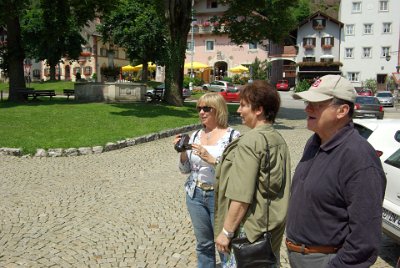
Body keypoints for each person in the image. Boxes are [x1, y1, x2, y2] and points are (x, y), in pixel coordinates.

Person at [286, 75, 387, 267]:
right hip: (299, 256)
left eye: (317, 104)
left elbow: (364, 239)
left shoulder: (358, 157)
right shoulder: (314, 142)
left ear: (342, 110)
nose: (307, 108)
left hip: (327, 260)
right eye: (308, 102)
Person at [214, 80, 291, 267]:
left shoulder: (250, 142)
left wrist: (226, 232)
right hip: (270, 229)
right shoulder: (277, 138)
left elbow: (241, 196)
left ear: (259, 110)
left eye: (243, 105)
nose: (239, 111)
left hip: (248, 232)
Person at [175, 92, 240, 268]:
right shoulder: (195, 135)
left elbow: (237, 172)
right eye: (199, 108)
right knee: (203, 244)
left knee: (224, 244)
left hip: (220, 197)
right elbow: (185, 170)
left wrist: (210, 159)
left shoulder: (233, 137)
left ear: (218, 110)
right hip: (195, 195)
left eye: (206, 108)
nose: (201, 112)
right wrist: (182, 152)